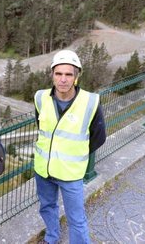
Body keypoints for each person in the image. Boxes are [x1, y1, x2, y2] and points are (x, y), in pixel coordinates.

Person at [33, 49, 106, 244]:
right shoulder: (40, 98)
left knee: (77, 219)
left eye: (68, 74)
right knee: (47, 207)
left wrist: (74, 152)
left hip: (70, 173)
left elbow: (98, 137)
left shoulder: (90, 102)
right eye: (58, 73)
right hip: (43, 169)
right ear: (52, 75)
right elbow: (42, 128)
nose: (63, 79)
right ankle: (51, 237)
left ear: (76, 76)